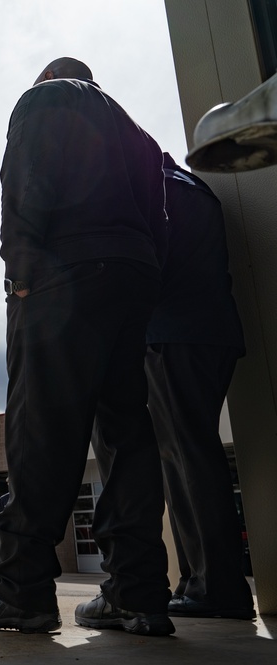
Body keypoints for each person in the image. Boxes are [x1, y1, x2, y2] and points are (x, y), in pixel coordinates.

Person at [0, 57, 174, 636]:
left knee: (40, 426)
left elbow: (25, 182)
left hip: (63, 276)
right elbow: (160, 218)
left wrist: (21, 272)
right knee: (126, 434)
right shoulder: (140, 136)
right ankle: (137, 592)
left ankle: (22, 589)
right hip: (132, 278)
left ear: (48, 76)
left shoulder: (45, 100)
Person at [140, 153, 254, 620]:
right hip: (212, 331)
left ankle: (215, 587)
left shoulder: (152, 187)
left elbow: (148, 263)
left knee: (185, 458)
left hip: (173, 334)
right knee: (191, 454)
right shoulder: (193, 187)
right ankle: (197, 581)